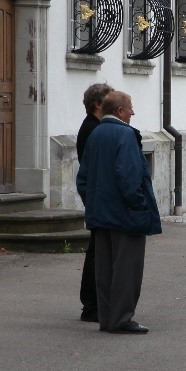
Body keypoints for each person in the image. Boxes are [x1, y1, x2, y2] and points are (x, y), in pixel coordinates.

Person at [77, 90, 161, 333]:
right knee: (127, 270)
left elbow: (83, 178)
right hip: (125, 214)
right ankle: (121, 319)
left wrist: (93, 203)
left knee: (104, 270)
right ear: (119, 111)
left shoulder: (95, 133)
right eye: (130, 107)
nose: (133, 112)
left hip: (101, 213)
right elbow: (129, 174)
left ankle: (107, 318)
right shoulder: (125, 134)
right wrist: (139, 204)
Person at [77, 83, 111, 322]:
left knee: (98, 250)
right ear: (98, 104)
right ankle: (91, 305)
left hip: (96, 194)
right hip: (97, 195)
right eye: (108, 100)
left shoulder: (94, 126)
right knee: (97, 252)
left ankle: (94, 303)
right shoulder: (92, 128)